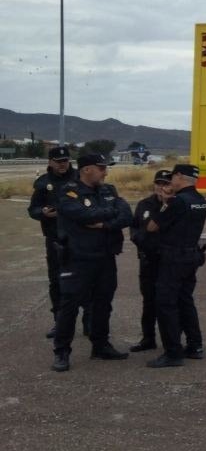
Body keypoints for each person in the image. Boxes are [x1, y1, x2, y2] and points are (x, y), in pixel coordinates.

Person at [50, 153, 133, 372]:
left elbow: (126, 215)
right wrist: (110, 213)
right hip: (78, 258)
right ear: (87, 169)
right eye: (102, 168)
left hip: (105, 257)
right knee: (69, 305)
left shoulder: (108, 190)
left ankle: (100, 345)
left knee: (103, 304)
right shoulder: (68, 192)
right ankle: (62, 351)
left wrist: (105, 222)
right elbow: (83, 215)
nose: (106, 172)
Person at [144, 164, 206, 368]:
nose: (170, 181)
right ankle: (195, 345)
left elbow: (152, 226)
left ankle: (172, 352)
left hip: (173, 258)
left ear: (180, 176)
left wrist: (164, 203)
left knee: (166, 304)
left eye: (173, 177)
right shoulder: (200, 201)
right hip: (191, 256)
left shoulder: (178, 202)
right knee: (185, 301)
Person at [28, 145, 88, 339]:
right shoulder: (43, 183)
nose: (63, 165)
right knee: (57, 281)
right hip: (55, 239)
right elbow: (33, 209)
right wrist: (43, 213)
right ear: (50, 162)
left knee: (87, 280)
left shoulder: (80, 178)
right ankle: (59, 322)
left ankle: (90, 322)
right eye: (58, 161)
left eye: (65, 161)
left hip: (80, 238)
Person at [127, 169, 171, 353]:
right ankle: (148, 338)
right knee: (149, 301)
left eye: (165, 184)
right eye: (158, 183)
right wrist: (142, 239)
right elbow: (135, 229)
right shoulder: (144, 205)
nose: (161, 187)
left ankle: (171, 340)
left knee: (169, 302)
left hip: (168, 261)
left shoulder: (176, 205)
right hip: (148, 260)